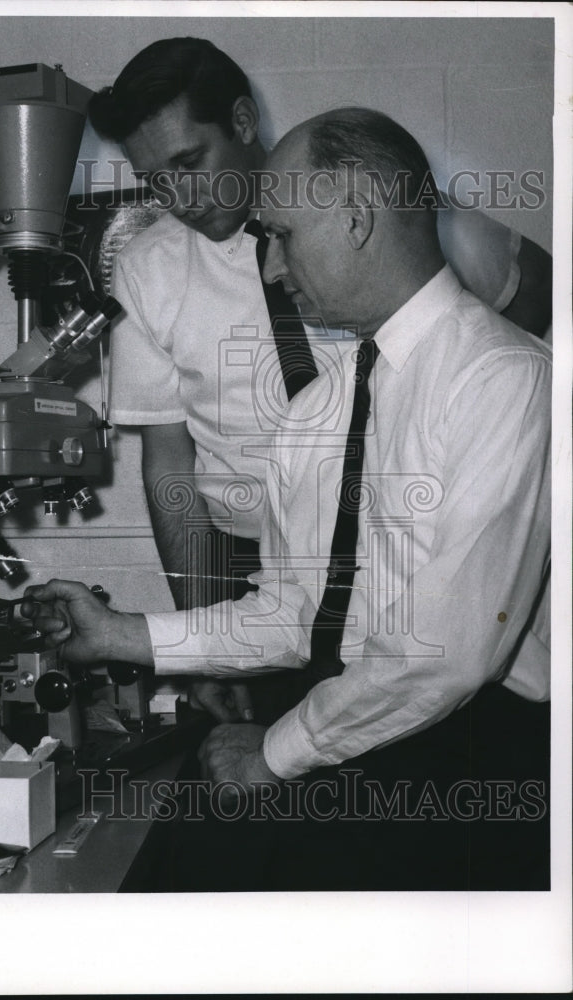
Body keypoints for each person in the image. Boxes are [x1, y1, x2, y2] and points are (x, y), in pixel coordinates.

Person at [24, 108, 551, 890]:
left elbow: (447, 657)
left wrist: (275, 752)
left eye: (283, 236)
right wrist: (121, 635)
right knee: (162, 873)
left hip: (477, 750)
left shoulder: (505, 379)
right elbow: (294, 612)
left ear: (357, 216)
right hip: (364, 717)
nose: (269, 268)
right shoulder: (319, 408)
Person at [86, 37, 553, 728]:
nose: (177, 197)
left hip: (424, 570)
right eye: (156, 179)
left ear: (242, 123)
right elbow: (169, 465)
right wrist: (199, 643)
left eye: (189, 162)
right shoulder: (148, 272)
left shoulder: (399, 215)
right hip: (276, 588)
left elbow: (536, 311)